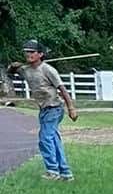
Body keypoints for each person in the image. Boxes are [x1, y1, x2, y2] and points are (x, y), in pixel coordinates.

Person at [21, 42, 77, 179]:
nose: (28, 54)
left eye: (32, 52)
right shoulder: (25, 69)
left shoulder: (48, 70)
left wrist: (71, 108)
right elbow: (12, 70)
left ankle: (52, 171)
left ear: (40, 54)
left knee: (45, 138)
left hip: (54, 108)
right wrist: (13, 67)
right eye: (26, 51)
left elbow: (63, 89)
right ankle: (65, 172)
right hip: (43, 109)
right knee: (54, 140)